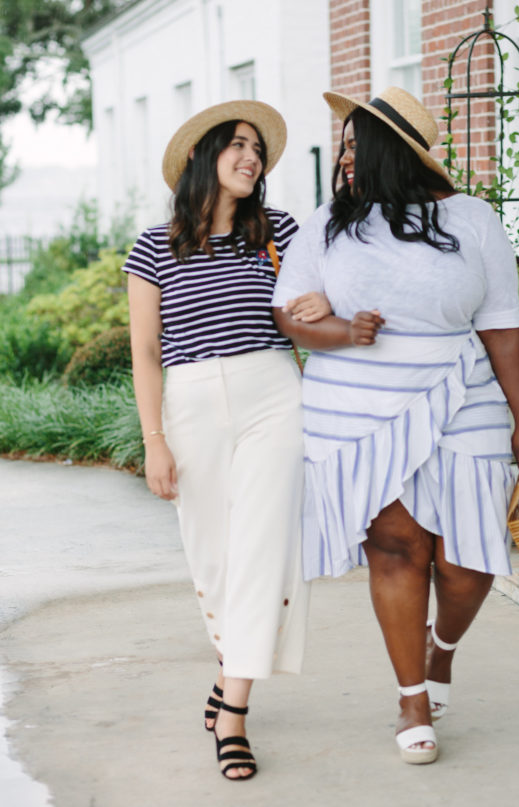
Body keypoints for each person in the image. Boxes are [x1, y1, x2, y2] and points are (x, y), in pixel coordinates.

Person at [272, 86, 519, 765]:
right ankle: (412, 696)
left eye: (362, 144)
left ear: (396, 152)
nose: (349, 155)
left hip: (462, 395)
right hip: (359, 406)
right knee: (395, 550)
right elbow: (288, 313)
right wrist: (338, 328)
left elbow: (502, 323)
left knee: (466, 561)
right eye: (348, 144)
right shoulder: (331, 221)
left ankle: (441, 650)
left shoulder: (471, 218)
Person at [123, 101, 329, 781]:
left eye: (257, 150)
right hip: (188, 401)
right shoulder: (154, 246)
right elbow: (146, 353)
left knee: (264, 548)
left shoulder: (281, 231)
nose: (251, 157)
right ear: (200, 158)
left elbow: (312, 303)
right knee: (214, 558)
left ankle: (234, 710)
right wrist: (154, 440)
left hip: (273, 391)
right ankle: (229, 673)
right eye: (237, 145)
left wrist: (318, 306)